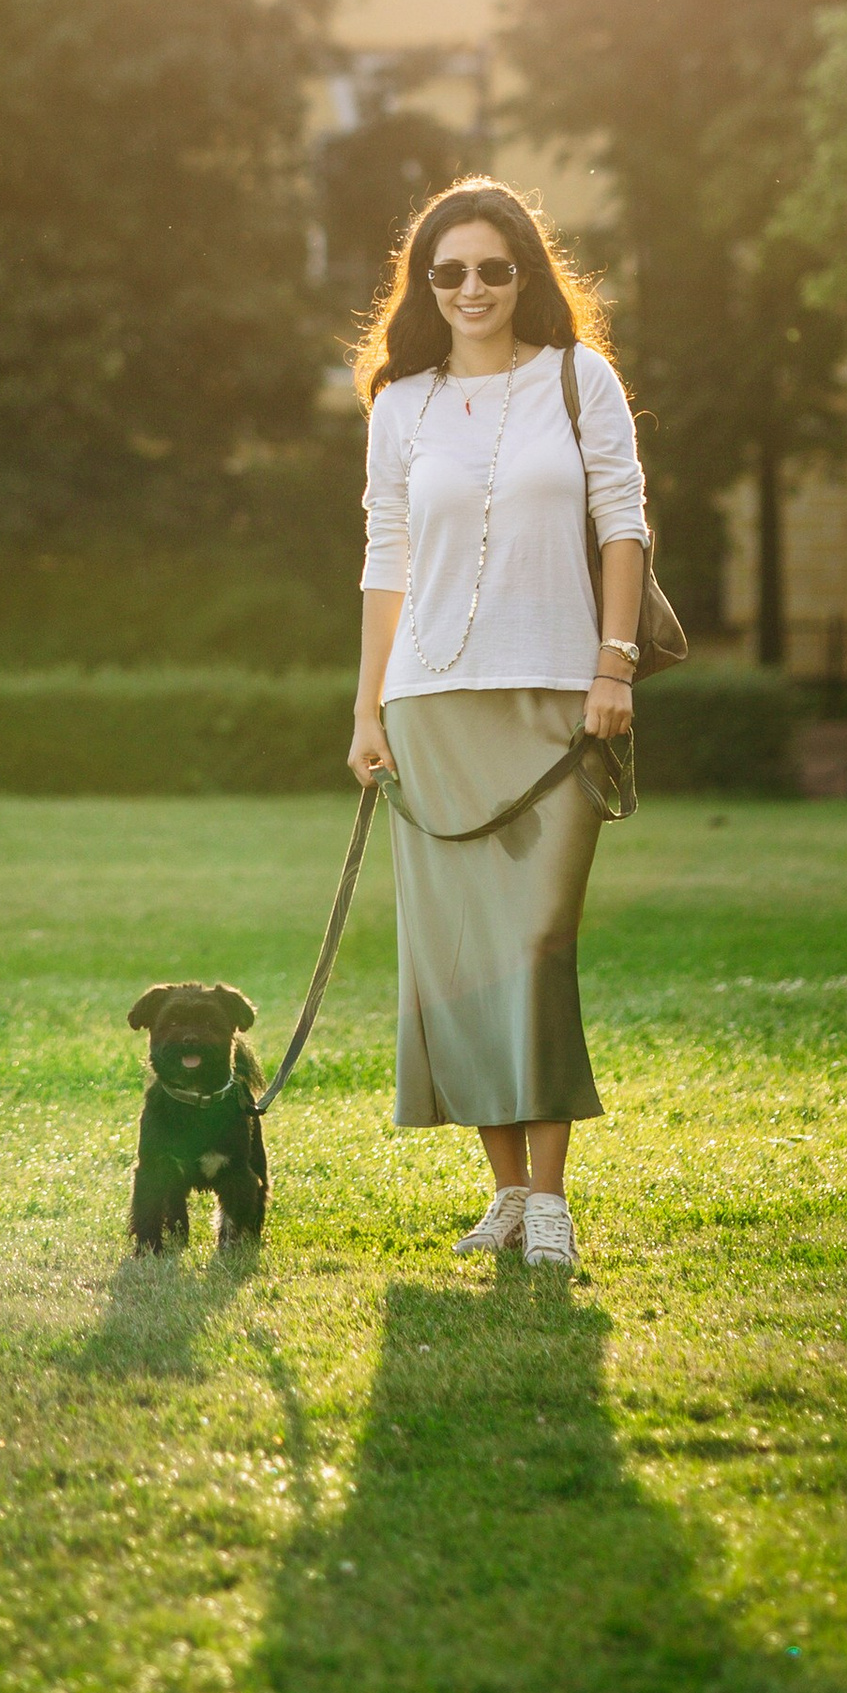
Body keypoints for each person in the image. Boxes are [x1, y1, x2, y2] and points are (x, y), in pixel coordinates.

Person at [349, 179, 649, 1271]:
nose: (470, 288)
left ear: (526, 272)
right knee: (458, 959)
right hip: (428, 708)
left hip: (555, 699)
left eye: (491, 268)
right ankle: (508, 1194)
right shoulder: (400, 404)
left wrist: (611, 665)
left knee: (532, 946)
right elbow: (385, 559)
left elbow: (624, 523)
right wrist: (367, 705)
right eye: (448, 272)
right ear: (423, 285)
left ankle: (555, 1196)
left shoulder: (579, 380)